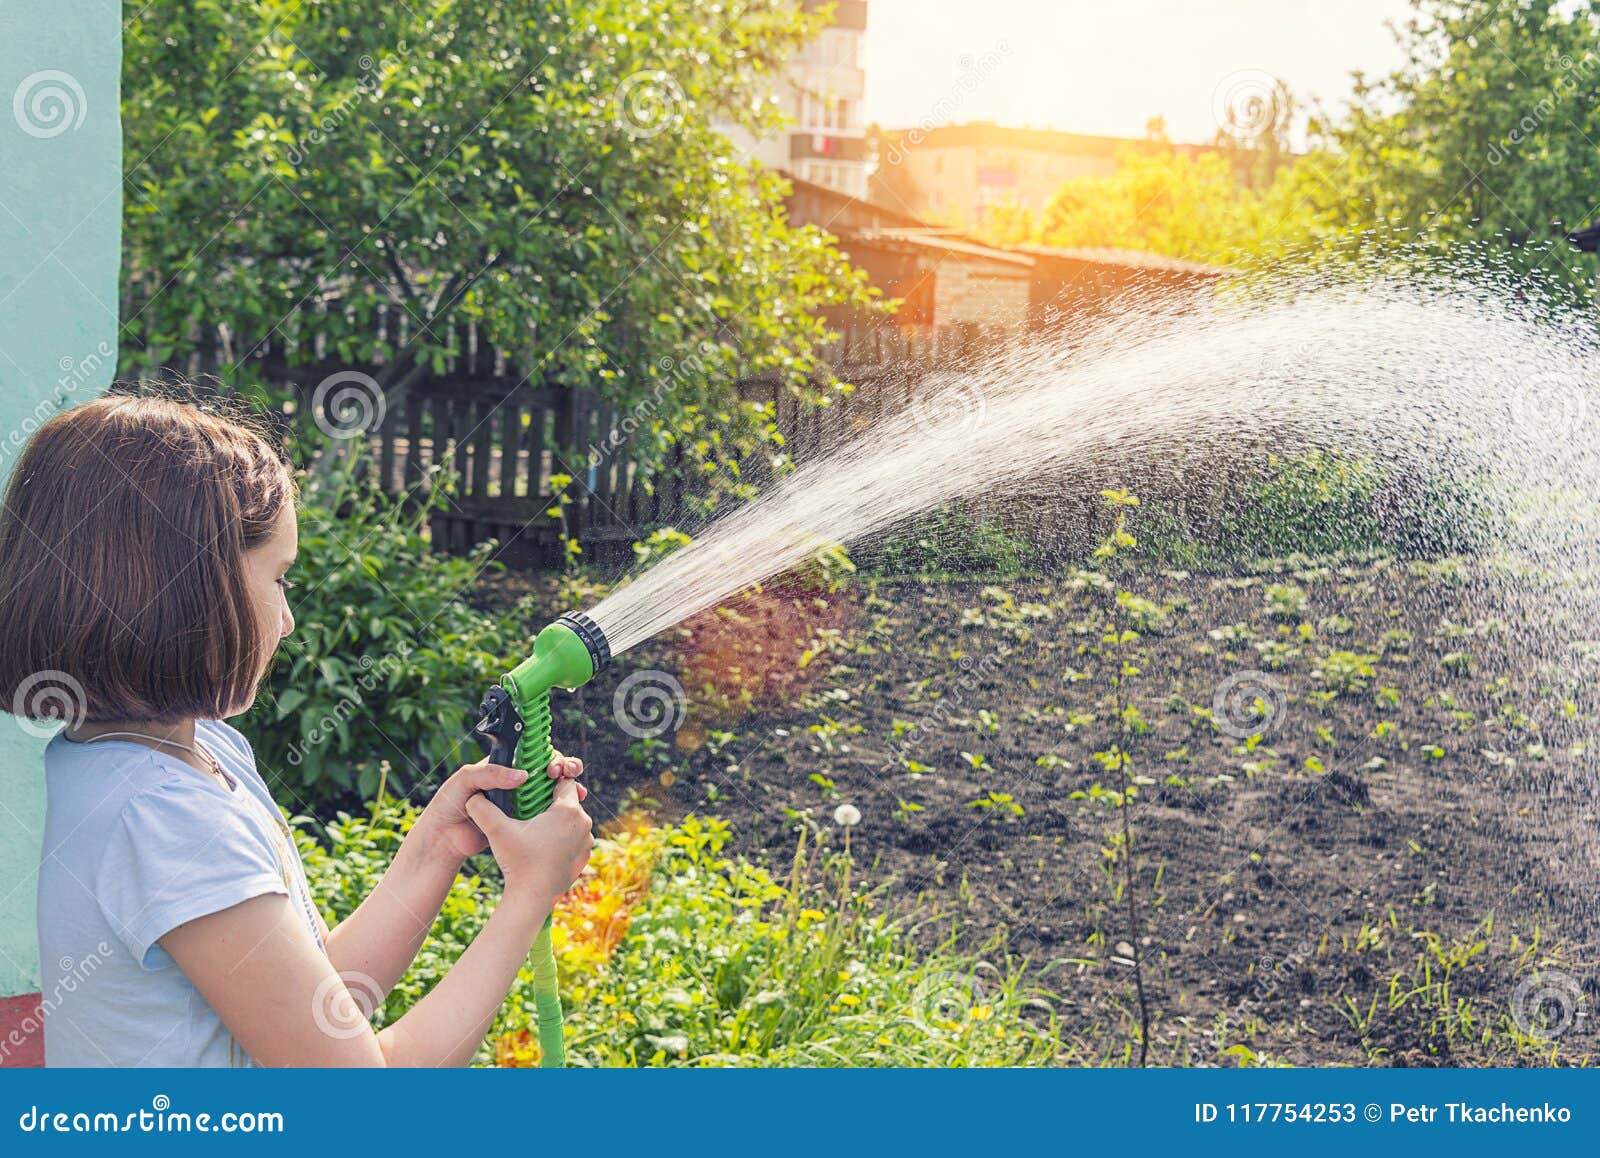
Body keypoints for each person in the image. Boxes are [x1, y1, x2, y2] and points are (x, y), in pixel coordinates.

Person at [0, 394, 594, 1066]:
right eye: (279, 580)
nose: (287, 621)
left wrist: (438, 847)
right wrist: (528, 895)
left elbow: (320, 1002)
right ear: (189, 589)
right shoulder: (163, 819)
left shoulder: (189, 751)